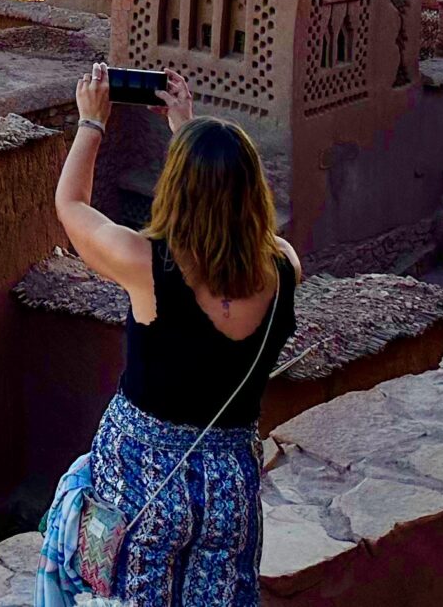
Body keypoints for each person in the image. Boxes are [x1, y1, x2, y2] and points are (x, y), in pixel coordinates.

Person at [38, 64, 299, 607]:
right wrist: (190, 127)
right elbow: (238, 221)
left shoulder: (147, 264)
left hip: (141, 481)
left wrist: (91, 123)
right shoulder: (282, 268)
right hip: (228, 483)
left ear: (175, 184)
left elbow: (72, 207)